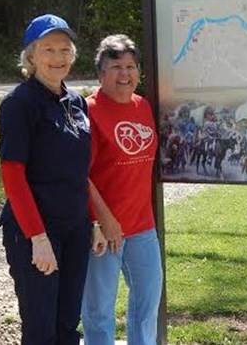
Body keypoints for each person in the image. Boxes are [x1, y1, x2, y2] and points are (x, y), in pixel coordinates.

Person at [0, 13, 105, 344]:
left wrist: (93, 222)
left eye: (64, 50)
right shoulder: (19, 104)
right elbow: (12, 175)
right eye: (48, 50)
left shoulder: (77, 104)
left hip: (75, 229)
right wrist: (38, 238)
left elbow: (77, 171)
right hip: (36, 232)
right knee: (41, 330)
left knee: (68, 326)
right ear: (31, 56)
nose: (57, 58)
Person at [81, 34, 163, 345]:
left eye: (130, 66)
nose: (125, 74)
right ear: (100, 73)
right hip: (103, 230)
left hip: (143, 225)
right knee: (99, 310)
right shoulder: (87, 111)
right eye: (116, 67)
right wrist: (101, 222)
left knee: (147, 304)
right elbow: (80, 175)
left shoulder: (143, 106)